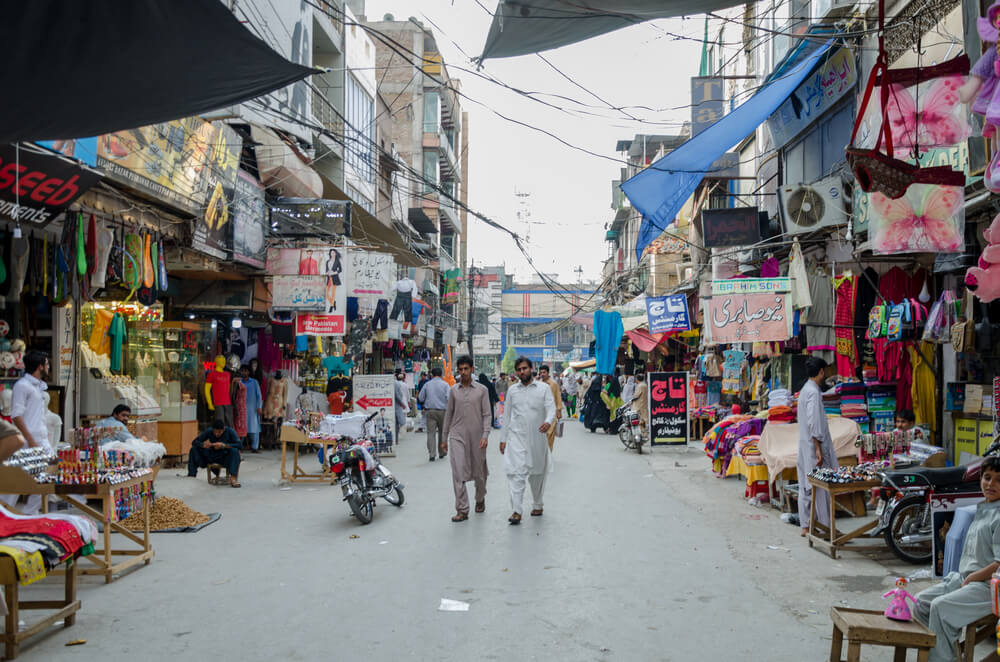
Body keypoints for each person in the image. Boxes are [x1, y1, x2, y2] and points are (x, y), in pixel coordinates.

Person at [912, 455, 1000, 662]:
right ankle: (948, 654)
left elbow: (999, 563)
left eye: (998, 480)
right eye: (987, 478)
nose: (991, 484)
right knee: (922, 604)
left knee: (940, 608)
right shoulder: (984, 508)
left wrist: (973, 578)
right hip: (968, 580)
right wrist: (967, 578)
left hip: (990, 587)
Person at [500, 356, 556, 525]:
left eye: (524, 368)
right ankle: (517, 511)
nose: (521, 372)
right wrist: (503, 439)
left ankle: (538, 504)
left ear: (532, 369)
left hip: (537, 438)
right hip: (516, 437)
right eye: (519, 369)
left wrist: (548, 421)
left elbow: (551, 408)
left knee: (537, 474)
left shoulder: (543, 388)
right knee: (515, 473)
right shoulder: (512, 391)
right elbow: (507, 415)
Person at [443, 357, 493, 522]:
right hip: (457, 436)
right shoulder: (453, 391)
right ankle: (462, 509)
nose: (463, 372)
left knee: (479, 473)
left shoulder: (482, 390)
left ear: (472, 369)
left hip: (478, 437)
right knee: (458, 472)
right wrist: (443, 438)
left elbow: (487, 415)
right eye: (461, 369)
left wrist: (485, 435)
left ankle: (480, 498)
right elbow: (448, 415)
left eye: (466, 369)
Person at [3, 351, 52, 514]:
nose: (48, 367)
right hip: (28, 442)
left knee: (45, 478)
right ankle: (5, 513)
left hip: (40, 440)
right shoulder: (22, 386)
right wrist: (29, 439)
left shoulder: (37, 385)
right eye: (46, 364)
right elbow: (16, 415)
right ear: (40, 366)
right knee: (17, 483)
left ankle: (30, 513)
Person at [797, 356, 839, 537]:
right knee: (820, 487)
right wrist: (819, 449)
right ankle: (825, 528)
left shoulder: (806, 389)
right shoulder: (813, 392)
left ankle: (806, 526)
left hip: (806, 445)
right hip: (814, 446)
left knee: (806, 485)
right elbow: (814, 424)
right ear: (821, 372)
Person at [187, 420, 242, 487]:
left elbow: (239, 445)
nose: (216, 434)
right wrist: (203, 445)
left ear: (223, 429)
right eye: (215, 432)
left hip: (224, 456)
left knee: (234, 451)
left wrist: (224, 445)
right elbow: (194, 442)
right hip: (212, 455)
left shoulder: (230, 431)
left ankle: (233, 478)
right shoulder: (209, 431)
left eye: (219, 432)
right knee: (194, 449)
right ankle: (191, 474)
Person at [419, 367, 450, 461]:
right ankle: (442, 452)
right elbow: (449, 398)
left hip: (430, 411)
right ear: (441, 375)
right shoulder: (445, 385)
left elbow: (421, 398)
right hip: (443, 411)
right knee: (442, 432)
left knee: (431, 433)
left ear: (431, 375)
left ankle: (432, 454)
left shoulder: (427, 385)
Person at [537, 365, 563, 451]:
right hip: (540, 412)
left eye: (544, 372)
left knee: (550, 433)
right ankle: (542, 453)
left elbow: (558, 397)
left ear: (548, 373)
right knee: (540, 434)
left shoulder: (553, 384)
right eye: (540, 372)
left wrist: (559, 410)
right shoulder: (538, 383)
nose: (542, 374)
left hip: (552, 412)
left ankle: (548, 454)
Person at [240, 365, 263, 453]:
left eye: (246, 371)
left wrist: (259, 407)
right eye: (243, 371)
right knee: (241, 427)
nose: (244, 373)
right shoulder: (239, 382)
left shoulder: (254, 382)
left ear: (249, 372)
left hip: (252, 409)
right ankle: (239, 446)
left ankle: (255, 447)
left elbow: (259, 396)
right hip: (241, 409)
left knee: (254, 428)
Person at [393, 371, 410, 443]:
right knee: (402, 419)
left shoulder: (395, 383)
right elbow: (407, 394)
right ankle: (401, 432)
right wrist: (407, 402)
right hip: (402, 402)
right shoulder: (404, 385)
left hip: (397, 403)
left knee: (397, 420)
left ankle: (397, 435)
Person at [324, 248, 342, 314]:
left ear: (335, 254)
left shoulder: (337, 261)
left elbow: (340, 270)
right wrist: (327, 273)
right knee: (326, 293)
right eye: (331, 253)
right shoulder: (327, 261)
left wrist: (333, 272)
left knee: (333, 293)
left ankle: (331, 306)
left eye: (334, 253)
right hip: (329, 278)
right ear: (330, 254)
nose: (333, 254)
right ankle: (333, 302)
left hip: (334, 278)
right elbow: (326, 270)